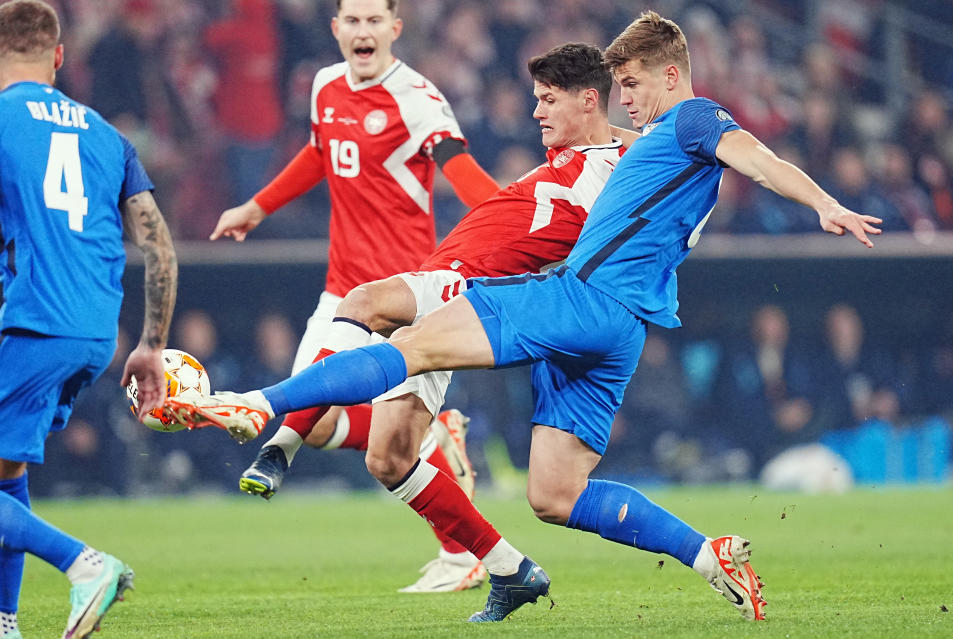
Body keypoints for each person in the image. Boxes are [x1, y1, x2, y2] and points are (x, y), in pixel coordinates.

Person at [170, 11, 882, 623]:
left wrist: (821, 202)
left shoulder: (690, 117)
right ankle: (707, 553)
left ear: (671, 75)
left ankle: (256, 403)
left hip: (579, 298)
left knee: (412, 344)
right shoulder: (645, 154)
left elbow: (752, 154)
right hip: (623, 331)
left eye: (631, 82)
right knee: (553, 492)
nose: (624, 96)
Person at [236, 41, 629, 593]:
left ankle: (266, 423)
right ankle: (510, 569)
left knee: (363, 305)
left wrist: (697, 143)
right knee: (389, 459)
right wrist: (258, 206)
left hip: (457, 284)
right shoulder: (578, 153)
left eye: (546, 100)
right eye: (536, 99)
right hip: (440, 277)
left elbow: (653, 174)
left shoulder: (618, 175)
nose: (535, 111)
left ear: (587, 100)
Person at [208, 0, 499, 593]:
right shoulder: (324, 86)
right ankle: (434, 438)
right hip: (344, 287)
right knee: (318, 426)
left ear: (395, 28)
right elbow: (320, 154)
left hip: (404, 294)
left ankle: (463, 547)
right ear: (336, 28)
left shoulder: (418, 98)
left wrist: (517, 226)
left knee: (341, 429)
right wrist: (256, 206)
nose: (363, 31)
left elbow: (460, 170)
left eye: (374, 21)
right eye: (353, 20)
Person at [0, 1, 178, 638]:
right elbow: (158, 247)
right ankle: (5, 621)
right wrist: (152, 345)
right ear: (57, 57)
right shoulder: (107, 134)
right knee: (6, 472)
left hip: (30, 319)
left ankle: (82, 563)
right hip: (97, 332)